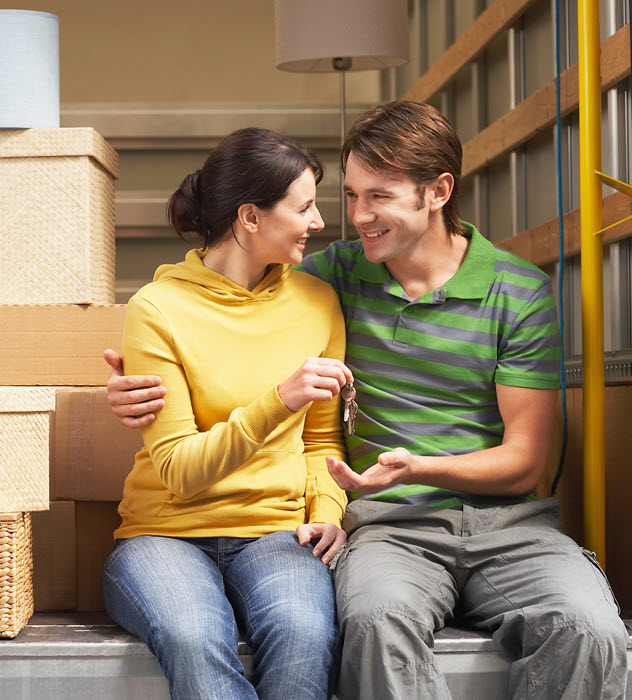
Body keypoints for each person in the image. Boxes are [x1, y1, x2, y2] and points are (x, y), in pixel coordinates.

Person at [105, 101, 629, 700]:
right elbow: (227, 294)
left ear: (438, 192)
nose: (353, 217)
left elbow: (526, 462)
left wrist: (415, 469)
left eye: (378, 196)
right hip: (389, 529)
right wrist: (123, 387)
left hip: (509, 527)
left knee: (589, 630)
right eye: (350, 195)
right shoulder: (328, 279)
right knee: (374, 624)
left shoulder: (518, 293)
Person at [103, 127, 354, 700]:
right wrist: (279, 399)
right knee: (194, 637)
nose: (318, 222)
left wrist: (327, 511)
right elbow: (179, 471)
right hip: (164, 535)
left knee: (305, 633)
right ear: (250, 217)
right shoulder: (158, 309)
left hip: (276, 532)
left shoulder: (318, 303)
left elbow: (321, 443)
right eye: (304, 207)